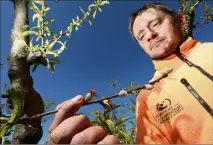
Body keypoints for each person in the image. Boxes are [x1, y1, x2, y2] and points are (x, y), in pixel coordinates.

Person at [47, 3, 213, 144]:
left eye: (155, 24)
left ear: (180, 21)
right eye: (141, 35)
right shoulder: (146, 98)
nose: (149, 35)